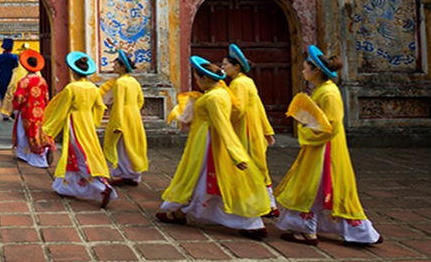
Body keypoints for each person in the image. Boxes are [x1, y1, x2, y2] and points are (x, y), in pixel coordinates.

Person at [274, 46, 383, 247]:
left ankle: (310, 230)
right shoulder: (322, 90)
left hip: (326, 148)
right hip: (320, 146)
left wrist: (305, 131)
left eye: (306, 67)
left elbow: (330, 127)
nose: (302, 71)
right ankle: (311, 228)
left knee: (317, 184)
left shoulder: (329, 94)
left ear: (317, 71)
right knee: (314, 184)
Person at [157, 55, 270, 240]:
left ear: (206, 79)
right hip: (204, 139)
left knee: (201, 176)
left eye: (198, 78)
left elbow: (222, 125)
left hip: (209, 143)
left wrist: (236, 154)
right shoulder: (221, 92)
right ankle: (181, 211)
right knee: (201, 177)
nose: (197, 82)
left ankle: (249, 222)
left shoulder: (213, 98)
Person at [42, 51, 117, 208]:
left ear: (73, 71)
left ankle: (102, 188)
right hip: (88, 122)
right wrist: (93, 122)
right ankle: (65, 186)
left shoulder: (71, 88)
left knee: (80, 156)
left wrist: (49, 129)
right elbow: (99, 108)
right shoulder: (93, 88)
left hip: (75, 123)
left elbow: (61, 110)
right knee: (78, 154)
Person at [222, 43, 277, 215]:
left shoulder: (238, 84)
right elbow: (259, 107)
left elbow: (238, 109)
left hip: (245, 129)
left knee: (249, 165)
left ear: (236, 66)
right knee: (259, 166)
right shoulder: (247, 82)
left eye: (225, 65)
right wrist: (267, 130)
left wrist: (222, 122)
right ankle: (270, 203)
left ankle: (262, 203)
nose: (223, 68)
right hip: (254, 128)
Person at [98, 50, 148, 186]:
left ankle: (124, 174)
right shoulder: (134, 82)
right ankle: (134, 174)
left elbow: (118, 102)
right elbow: (140, 100)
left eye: (115, 65)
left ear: (122, 67)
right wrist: (133, 111)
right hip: (134, 115)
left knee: (121, 147)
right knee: (133, 145)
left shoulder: (120, 83)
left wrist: (118, 122)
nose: (113, 67)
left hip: (122, 115)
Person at [11, 48, 55, 167]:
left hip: (27, 111)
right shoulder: (42, 80)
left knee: (24, 133)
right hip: (41, 111)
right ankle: (41, 152)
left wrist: (15, 107)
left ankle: (25, 154)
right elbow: (46, 97)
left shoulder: (24, 81)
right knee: (39, 131)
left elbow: (19, 98)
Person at [0, 42, 30, 120]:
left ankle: (6, 112)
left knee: (6, 93)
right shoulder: (14, 57)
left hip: (4, 77)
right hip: (18, 75)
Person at [0, 38, 19, 120]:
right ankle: (12, 111)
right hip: (12, 77)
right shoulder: (14, 57)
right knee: (12, 94)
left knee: (3, 94)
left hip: (1, 78)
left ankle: (5, 114)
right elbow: (17, 68)